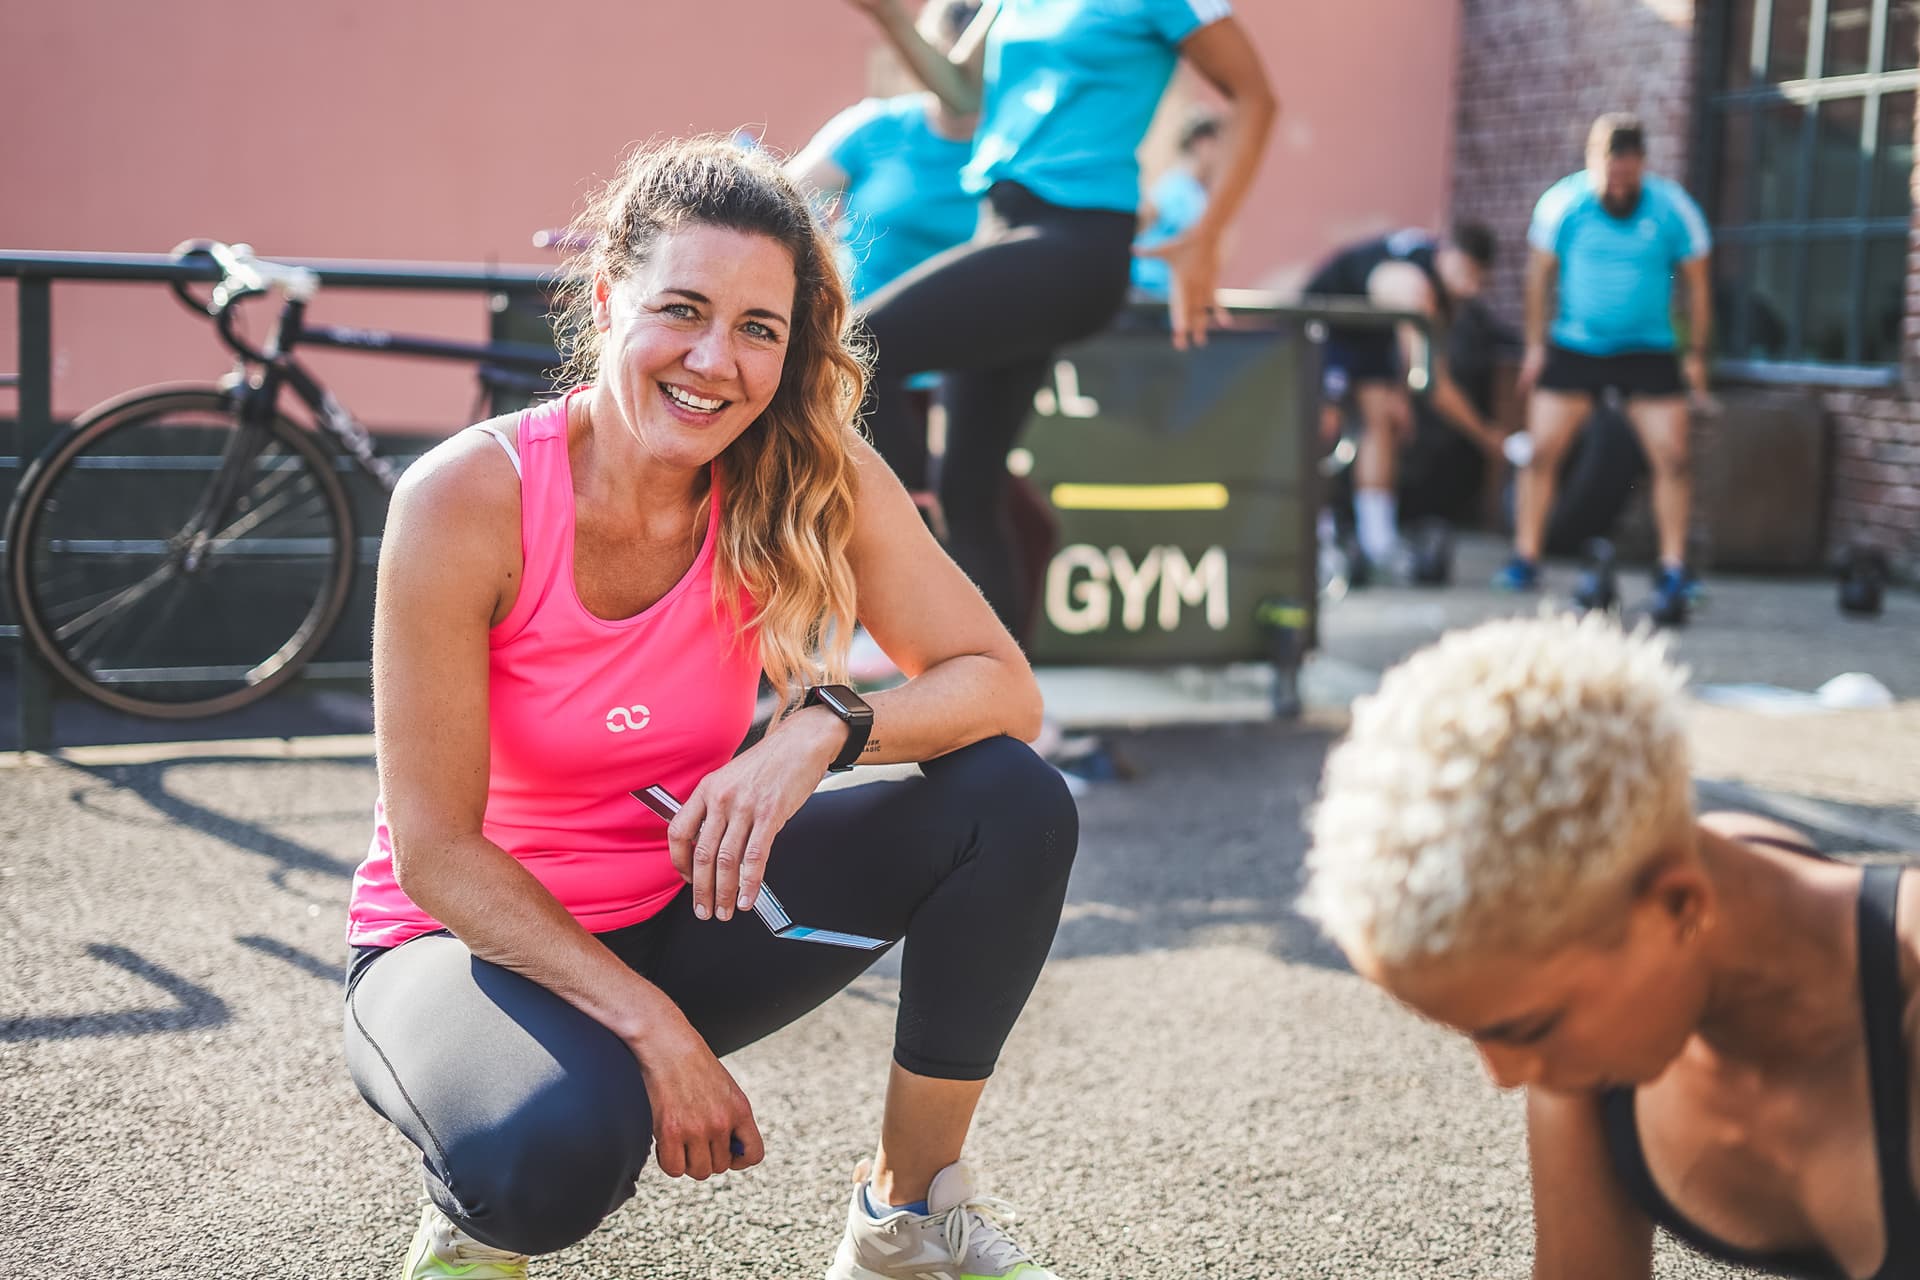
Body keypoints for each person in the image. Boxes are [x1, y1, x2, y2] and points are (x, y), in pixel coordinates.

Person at [342, 137, 1080, 1280]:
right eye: (681, 309)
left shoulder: (804, 468)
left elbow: (1000, 683)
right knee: (548, 1158)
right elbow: (435, 850)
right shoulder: (465, 497)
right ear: (605, 300)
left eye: (757, 328)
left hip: (676, 903)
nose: (714, 360)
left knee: (1011, 800)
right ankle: (472, 1209)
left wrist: (821, 728)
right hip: (466, 948)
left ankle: (908, 1218)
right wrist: (653, 1027)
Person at [1302, 613, 1919, 1280]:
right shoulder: (1582, 1060)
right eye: (1476, 1034)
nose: (1505, 1074)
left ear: (1681, 905)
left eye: (1527, 1027)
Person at [843, 0, 1278, 635]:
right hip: (1001, 227)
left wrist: (1206, 238)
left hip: (1075, 243)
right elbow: (965, 91)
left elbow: (1256, 98)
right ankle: (1003, 712)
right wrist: (890, 18)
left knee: (857, 345)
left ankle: (903, 540)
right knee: (970, 495)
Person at [1498, 113, 1717, 626]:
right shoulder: (1563, 205)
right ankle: (1525, 559)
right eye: (1608, 173)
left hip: (1648, 349)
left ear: (1641, 164)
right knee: (1541, 452)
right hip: (1576, 345)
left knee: (1673, 457)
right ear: (1591, 163)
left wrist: (1696, 354)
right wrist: (1534, 345)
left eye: (1626, 174)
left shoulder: (1672, 208)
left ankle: (1672, 568)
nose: (1617, 184)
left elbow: (1699, 285)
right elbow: (1537, 278)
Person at [1303, 223, 1504, 577]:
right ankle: (1315, 537)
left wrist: (1400, 397)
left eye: (1479, 279)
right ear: (1446, 254)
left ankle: (1377, 539)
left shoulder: (1434, 284)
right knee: (1325, 423)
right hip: (1327, 316)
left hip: (1371, 327)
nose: (1471, 288)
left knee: (1380, 423)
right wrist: (1487, 437)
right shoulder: (1416, 289)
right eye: (1466, 274)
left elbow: (1411, 362)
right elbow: (1432, 382)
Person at [786, 0, 983, 305]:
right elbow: (785, 197)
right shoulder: (875, 127)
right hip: (856, 325)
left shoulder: (1021, 147)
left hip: (971, 334)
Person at [1131, 108, 1223, 298]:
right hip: (1149, 297)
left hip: (1172, 298)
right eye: (1219, 145)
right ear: (1201, 143)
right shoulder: (1176, 189)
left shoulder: (1198, 193)